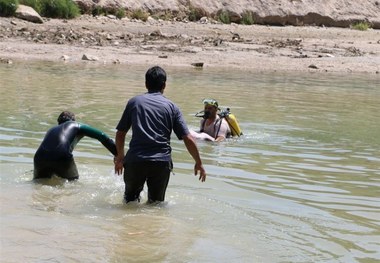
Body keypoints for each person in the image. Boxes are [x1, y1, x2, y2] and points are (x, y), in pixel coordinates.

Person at [114, 66, 206, 204]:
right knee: (156, 205)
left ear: (146, 84)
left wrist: (120, 158)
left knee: (129, 203)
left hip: (135, 161)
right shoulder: (172, 107)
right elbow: (187, 138)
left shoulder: (134, 102)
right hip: (161, 163)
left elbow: (120, 134)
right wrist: (198, 162)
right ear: (164, 85)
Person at [33, 111, 117, 180]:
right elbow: (102, 136)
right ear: (73, 120)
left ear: (59, 122)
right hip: (62, 156)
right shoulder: (76, 125)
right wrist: (117, 154)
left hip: (39, 158)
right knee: (72, 183)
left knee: (39, 183)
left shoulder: (51, 130)